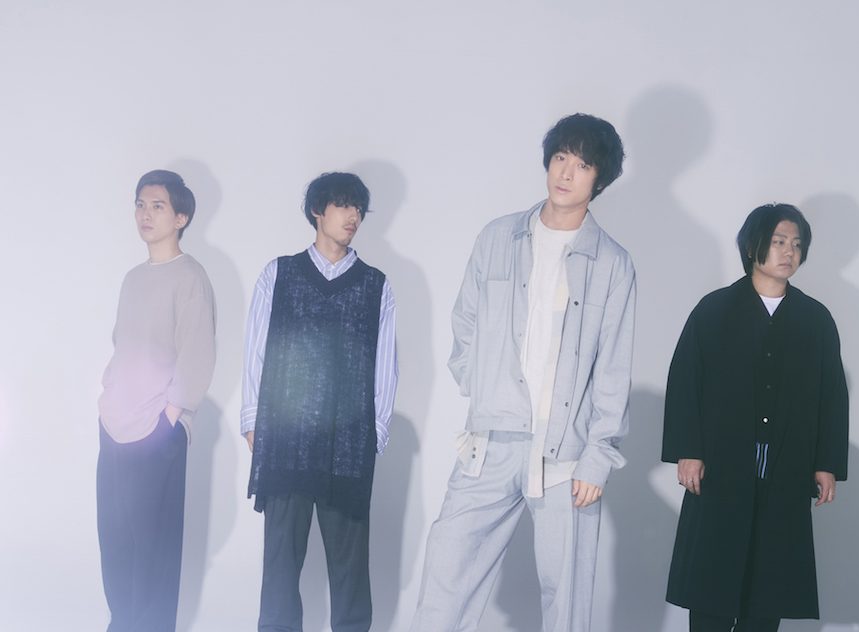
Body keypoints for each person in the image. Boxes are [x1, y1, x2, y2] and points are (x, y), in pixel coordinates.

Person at [410, 113, 636, 632]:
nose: (566, 173)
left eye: (583, 165)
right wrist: (484, 390)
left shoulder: (612, 264)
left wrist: (598, 456)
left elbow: (614, 367)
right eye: (561, 157)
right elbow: (465, 325)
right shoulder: (498, 237)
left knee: (566, 600)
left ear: (599, 180)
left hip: (567, 456)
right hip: (491, 440)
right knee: (446, 574)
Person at [661, 203, 849, 631]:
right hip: (721, 465)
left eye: (796, 244)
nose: (789, 252)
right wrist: (688, 451)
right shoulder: (714, 310)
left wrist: (826, 463)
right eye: (779, 241)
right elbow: (686, 380)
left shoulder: (815, 320)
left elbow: (832, 396)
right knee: (711, 581)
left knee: (769, 584)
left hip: (786, 467)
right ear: (752, 246)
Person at [241, 172, 397, 632]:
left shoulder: (375, 285)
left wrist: (375, 433)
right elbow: (256, 349)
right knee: (280, 564)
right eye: (343, 205)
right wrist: (252, 419)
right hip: (285, 438)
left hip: (347, 443)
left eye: (359, 209)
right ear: (317, 210)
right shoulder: (279, 274)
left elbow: (385, 363)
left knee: (350, 570)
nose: (353, 216)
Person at [97, 169, 217, 631]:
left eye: (158, 206)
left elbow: (197, 354)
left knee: (154, 551)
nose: (145, 214)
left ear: (181, 217)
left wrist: (169, 418)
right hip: (115, 428)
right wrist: (108, 399)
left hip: (157, 431)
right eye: (140, 205)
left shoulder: (190, 278)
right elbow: (122, 345)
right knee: (115, 543)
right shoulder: (133, 279)